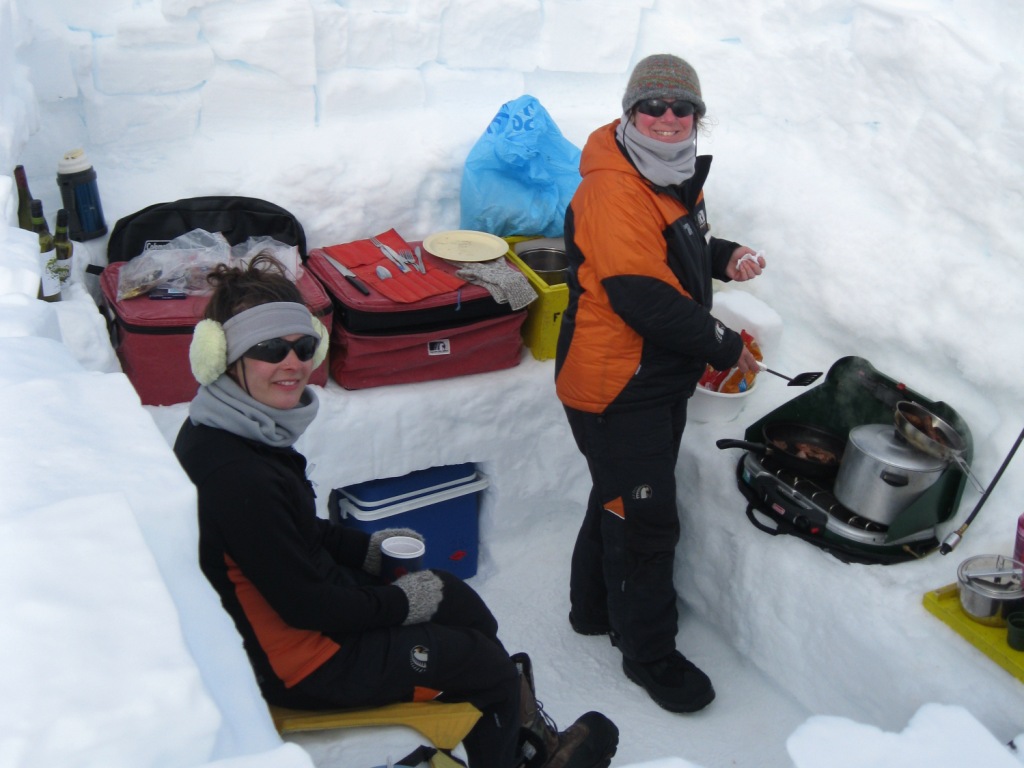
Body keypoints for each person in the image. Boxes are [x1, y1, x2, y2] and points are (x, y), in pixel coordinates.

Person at [173, 254, 618, 768]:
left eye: (303, 345)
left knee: (456, 600)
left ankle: (512, 731)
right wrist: (402, 605)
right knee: (482, 665)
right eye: (269, 348)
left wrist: (364, 551)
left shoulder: (240, 429)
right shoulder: (235, 473)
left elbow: (291, 532)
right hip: (306, 664)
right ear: (222, 357)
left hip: (310, 620)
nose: (292, 363)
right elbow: (304, 605)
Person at [554, 54, 766, 714]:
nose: (669, 118)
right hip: (619, 382)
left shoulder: (664, 172)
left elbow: (667, 246)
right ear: (629, 112)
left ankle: (592, 610)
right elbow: (640, 292)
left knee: (618, 494)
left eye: (683, 108)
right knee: (645, 519)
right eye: (654, 106)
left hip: (648, 374)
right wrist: (723, 345)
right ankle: (648, 653)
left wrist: (720, 253)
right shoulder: (614, 188)